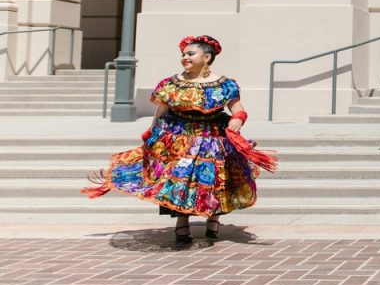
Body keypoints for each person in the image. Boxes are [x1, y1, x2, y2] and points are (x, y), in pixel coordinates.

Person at [82, 35, 276, 243]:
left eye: (191, 54)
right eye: (183, 54)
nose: (185, 57)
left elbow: (238, 110)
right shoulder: (171, 83)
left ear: (207, 57)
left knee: (212, 179)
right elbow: (162, 110)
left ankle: (214, 218)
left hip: (211, 137)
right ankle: (181, 222)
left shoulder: (224, 84)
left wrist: (237, 120)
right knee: (175, 179)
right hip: (177, 138)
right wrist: (150, 132)